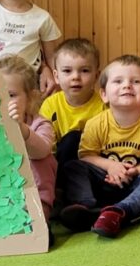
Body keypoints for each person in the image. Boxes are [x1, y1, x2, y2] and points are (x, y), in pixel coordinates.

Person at [58, 55, 140, 238]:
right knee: (73, 167)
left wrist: (136, 171)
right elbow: (86, 156)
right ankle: (85, 207)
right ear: (104, 94)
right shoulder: (96, 123)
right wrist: (111, 166)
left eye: (136, 81)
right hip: (105, 180)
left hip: (137, 183)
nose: (127, 85)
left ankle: (118, 213)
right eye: (118, 81)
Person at [0, 55, 58, 222]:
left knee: (41, 157)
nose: (2, 101)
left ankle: (36, 221)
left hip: (34, 199)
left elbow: (42, 150)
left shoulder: (39, 124)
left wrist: (20, 130)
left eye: (11, 95)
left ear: (30, 98)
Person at [38, 38, 105, 170]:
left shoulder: (104, 106)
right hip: (62, 167)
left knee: (77, 138)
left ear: (96, 76)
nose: (75, 77)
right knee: (71, 139)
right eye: (67, 71)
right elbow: (46, 145)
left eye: (84, 71)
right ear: (56, 76)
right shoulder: (50, 105)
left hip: (96, 167)